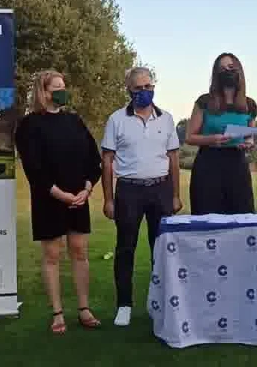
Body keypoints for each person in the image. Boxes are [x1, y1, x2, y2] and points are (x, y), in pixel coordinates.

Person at [15, 70, 102, 333]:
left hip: (78, 197)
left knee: (79, 251)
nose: (63, 91)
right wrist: (59, 194)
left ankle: (84, 308)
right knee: (52, 255)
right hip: (49, 199)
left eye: (64, 86)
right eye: (57, 87)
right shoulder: (29, 125)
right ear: (43, 92)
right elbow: (34, 168)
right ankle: (57, 313)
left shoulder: (74, 121)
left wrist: (87, 188)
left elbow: (93, 158)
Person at [100, 66, 182, 327]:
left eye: (149, 86)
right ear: (129, 90)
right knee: (126, 248)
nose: (145, 91)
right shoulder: (116, 120)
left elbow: (174, 158)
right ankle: (124, 305)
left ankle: (163, 302)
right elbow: (107, 160)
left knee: (162, 248)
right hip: (129, 190)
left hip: (161, 188)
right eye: (139, 88)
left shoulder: (166, 119)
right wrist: (108, 199)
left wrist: (176, 195)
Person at [185, 53, 257, 214]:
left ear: (239, 70)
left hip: (237, 165)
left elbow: (250, 136)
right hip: (208, 165)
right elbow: (190, 137)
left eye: (230, 67)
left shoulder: (249, 104)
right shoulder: (204, 102)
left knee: (242, 215)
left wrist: (249, 143)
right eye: (222, 69)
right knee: (207, 216)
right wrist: (212, 139)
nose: (227, 72)